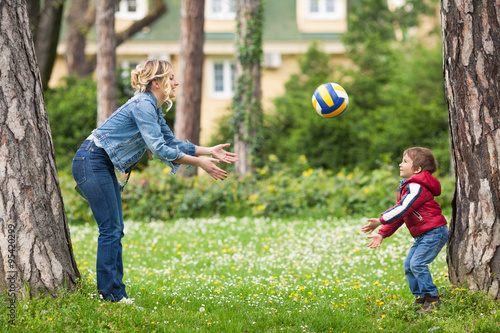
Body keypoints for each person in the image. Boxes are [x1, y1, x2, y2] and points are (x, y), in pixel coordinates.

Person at [71, 59, 238, 303]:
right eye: (171, 78)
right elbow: (159, 149)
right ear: (157, 82)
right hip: (91, 160)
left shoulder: (153, 107)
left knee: (115, 230)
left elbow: (172, 143)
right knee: (110, 230)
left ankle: (114, 293)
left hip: (99, 162)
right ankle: (110, 296)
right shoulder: (143, 104)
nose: (176, 82)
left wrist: (209, 151)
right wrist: (199, 163)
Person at [361, 147, 448, 314]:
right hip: (424, 234)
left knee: (417, 263)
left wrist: (380, 220)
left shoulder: (417, 187)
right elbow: (402, 215)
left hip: (434, 232)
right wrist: (381, 234)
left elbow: (403, 208)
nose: (400, 164)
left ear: (417, 169)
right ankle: (421, 298)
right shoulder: (410, 186)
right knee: (409, 265)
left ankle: (432, 298)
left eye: (405, 161)